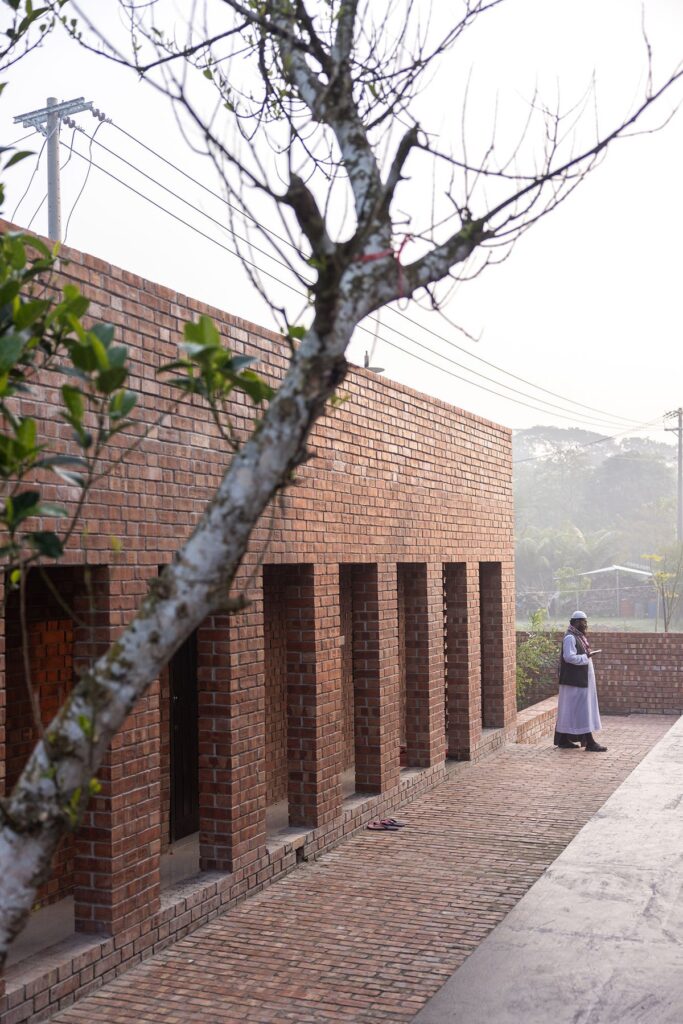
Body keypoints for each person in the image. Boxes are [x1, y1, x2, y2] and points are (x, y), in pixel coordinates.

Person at [554, 611, 607, 752]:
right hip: (575, 682)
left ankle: (563, 740)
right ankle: (590, 742)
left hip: (580, 681)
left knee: (571, 711)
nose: (586, 625)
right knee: (581, 711)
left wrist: (586, 656)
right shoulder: (570, 638)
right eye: (584, 622)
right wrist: (586, 656)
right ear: (576, 622)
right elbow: (569, 657)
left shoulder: (579, 637)